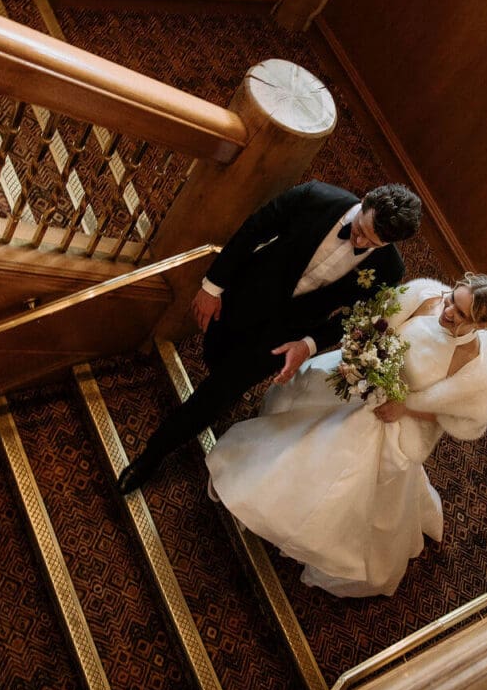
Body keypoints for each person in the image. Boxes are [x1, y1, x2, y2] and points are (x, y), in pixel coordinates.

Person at [205, 273, 487, 598]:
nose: (447, 310)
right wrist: (362, 352)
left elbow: (459, 418)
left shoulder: (473, 363)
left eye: (461, 314)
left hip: (392, 417)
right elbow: (378, 322)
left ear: (481, 324)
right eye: (452, 299)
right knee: (301, 417)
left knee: (339, 468)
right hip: (358, 380)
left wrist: (406, 406)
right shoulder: (426, 296)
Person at [118, 179, 422, 494]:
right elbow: (254, 230)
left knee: (217, 394)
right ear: (365, 199)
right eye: (360, 229)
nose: (359, 241)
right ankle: (219, 377)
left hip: (287, 333)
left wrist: (308, 345)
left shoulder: (390, 269)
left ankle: (151, 456)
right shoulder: (315, 196)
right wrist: (212, 287)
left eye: (372, 242)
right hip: (247, 294)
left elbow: (352, 318)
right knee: (215, 352)